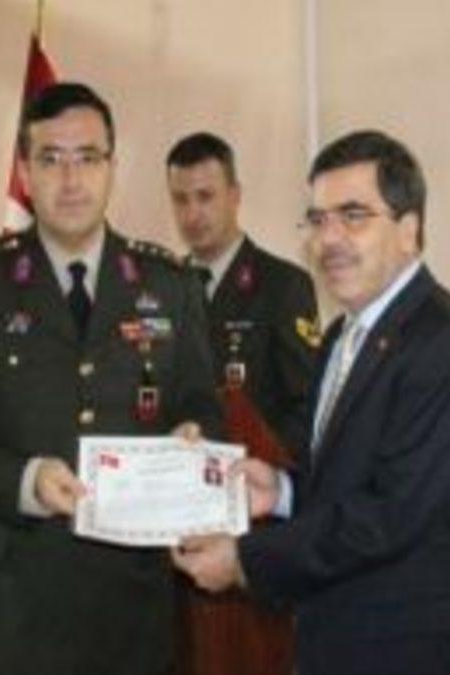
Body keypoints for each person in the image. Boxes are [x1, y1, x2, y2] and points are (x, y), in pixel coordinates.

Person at [171, 130, 450, 675]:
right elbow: (342, 481)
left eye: (353, 216)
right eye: (318, 219)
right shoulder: (341, 337)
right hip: (334, 641)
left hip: (409, 654)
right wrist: (280, 491)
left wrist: (245, 560)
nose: (329, 238)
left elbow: (392, 515)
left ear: (409, 230)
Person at [0, 82, 221, 675]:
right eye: (51, 159)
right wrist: (27, 480)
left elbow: (201, 406)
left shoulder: (168, 283)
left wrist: (193, 438)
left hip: (130, 605)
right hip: (10, 605)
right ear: (24, 174)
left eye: (88, 157)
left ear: (112, 168)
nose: (72, 179)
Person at [165, 132, 320, 675]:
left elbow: (305, 409)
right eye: (181, 199)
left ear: (235, 195)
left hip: (251, 524)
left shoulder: (282, 285)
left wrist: (265, 477)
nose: (193, 214)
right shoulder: (160, 289)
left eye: (206, 196)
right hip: (178, 521)